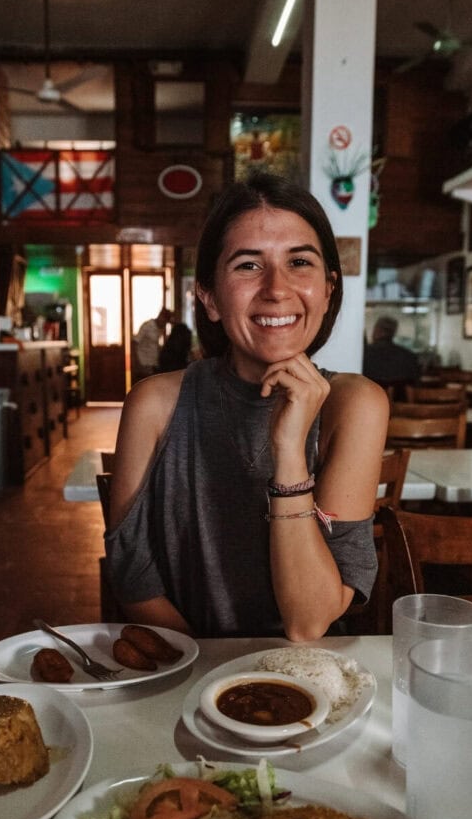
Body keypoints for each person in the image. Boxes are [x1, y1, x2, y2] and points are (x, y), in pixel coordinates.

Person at [105, 172, 389, 640]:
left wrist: (290, 449)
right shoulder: (155, 403)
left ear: (328, 289)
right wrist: (209, 672)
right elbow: (132, 574)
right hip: (188, 669)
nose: (277, 288)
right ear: (209, 297)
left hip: (311, 682)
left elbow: (308, 621)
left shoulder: (355, 405)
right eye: (248, 266)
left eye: (300, 261)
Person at [362, 315, 420, 390]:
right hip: (401, 400)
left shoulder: (363, 355)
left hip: (369, 398)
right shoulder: (410, 356)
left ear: (377, 330)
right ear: (393, 332)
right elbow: (416, 384)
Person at [132, 306, 173, 380]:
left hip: (154, 364)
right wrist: (137, 364)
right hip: (144, 363)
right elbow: (135, 342)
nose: (164, 323)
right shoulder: (147, 326)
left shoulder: (161, 328)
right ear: (160, 316)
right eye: (164, 320)